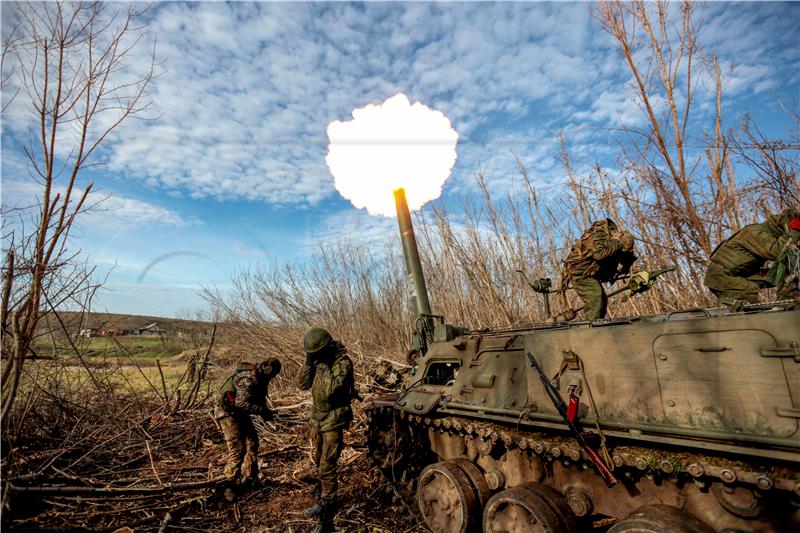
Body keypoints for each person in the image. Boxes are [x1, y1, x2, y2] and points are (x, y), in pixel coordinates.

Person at [296, 327, 357, 533]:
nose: (314, 358)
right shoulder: (318, 361)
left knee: (327, 466)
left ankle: (326, 519)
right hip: (318, 419)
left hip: (334, 419)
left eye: (315, 354)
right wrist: (308, 363)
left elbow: (330, 392)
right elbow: (301, 384)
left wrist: (321, 366)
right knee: (317, 461)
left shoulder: (343, 363)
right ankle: (321, 501)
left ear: (326, 349)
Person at [705, 208, 800, 304]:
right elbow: (778, 252)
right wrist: (794, 231)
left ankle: (790, 306)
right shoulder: (755, 232)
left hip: (742, 273)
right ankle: (776, 315)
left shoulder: (771, 235)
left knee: (787, 274)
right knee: (748, 291)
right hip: (720, 276)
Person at [214, 358, 281, 484]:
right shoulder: (248, 378)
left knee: (252, 441)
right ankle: (229, 484)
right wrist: (261, 411)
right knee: (237, 449)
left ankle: (250, 476)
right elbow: (241, 403)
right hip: (227, 412)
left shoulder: (261, 379)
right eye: (274, 374)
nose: (274, 377)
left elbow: (259, 399)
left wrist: (267, 413)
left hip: (238, 412)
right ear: (268, 371)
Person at [562, 218, 637, 320]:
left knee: (602, 299)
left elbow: (624, 255)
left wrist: (628, 264)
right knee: (596, 295)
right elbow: (599, 255)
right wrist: (616, 242)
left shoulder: (612, 241)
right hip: (579, 273)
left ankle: (598, 323)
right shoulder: (600, 236)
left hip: (588, 272)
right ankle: (591, 328)